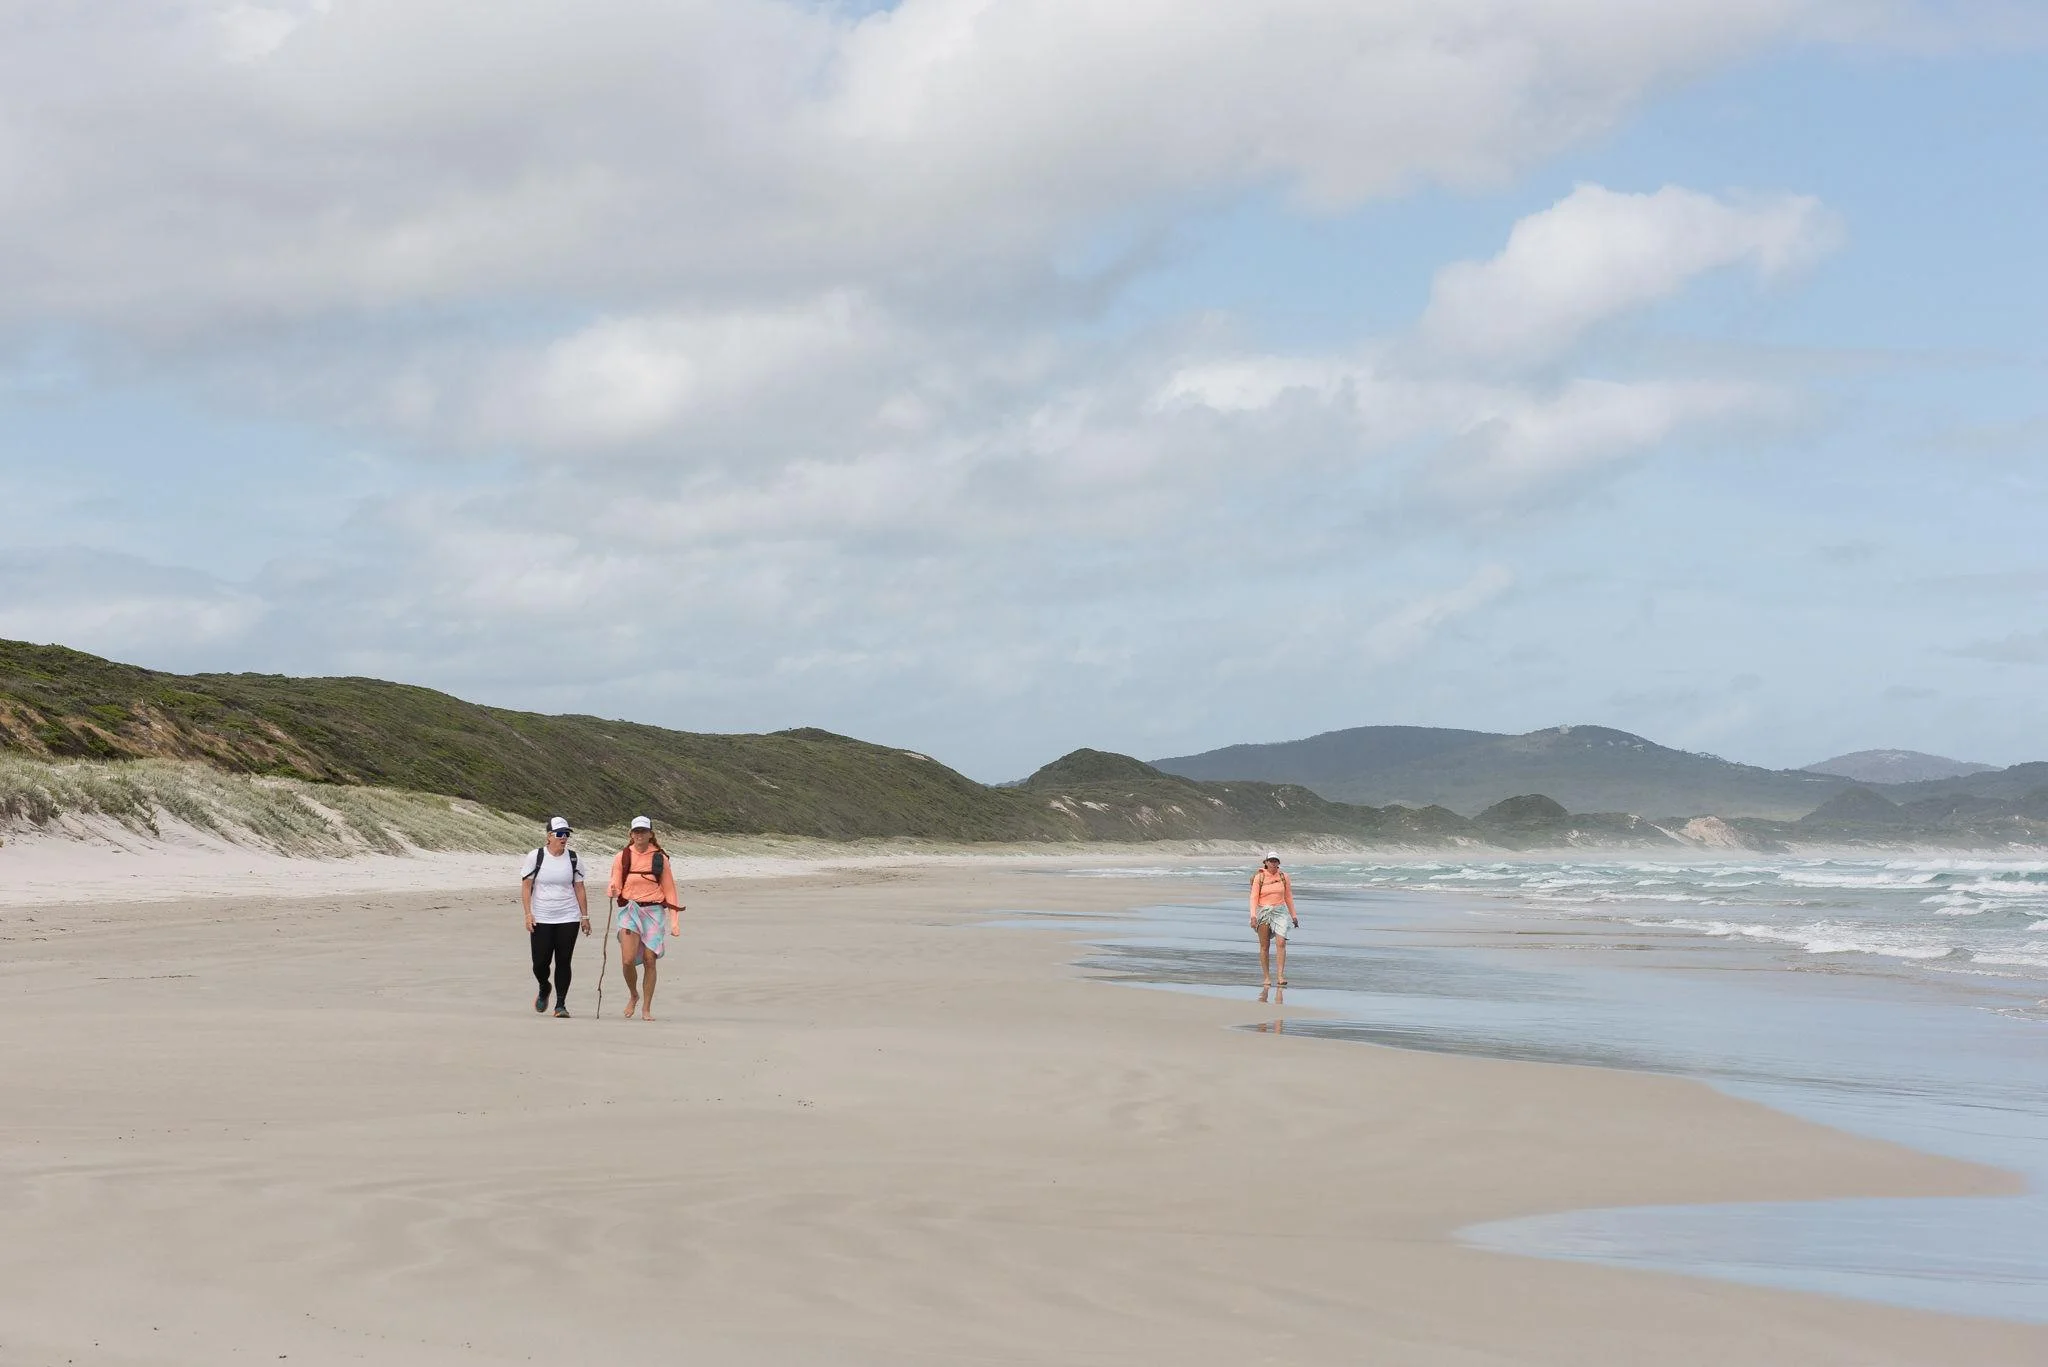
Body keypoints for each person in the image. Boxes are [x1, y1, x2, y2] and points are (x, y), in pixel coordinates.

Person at [609, 815, 682, 1021]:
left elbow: (670, 891)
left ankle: (646, 1008)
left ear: (650, 834)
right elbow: (614, 885)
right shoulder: (622, 857)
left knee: (650, 960)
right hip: (630, 911)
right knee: (627, 960)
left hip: (654, 912)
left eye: (643, 831)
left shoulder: (660, 858)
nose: (640, 834)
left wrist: (674, 922)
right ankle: (634, 994)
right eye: (636, 831)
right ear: (631, 834)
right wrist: (613, 890)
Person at [521, 817, 590, 1017]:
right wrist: (528, 914)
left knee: (563, 960)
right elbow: (526, 886)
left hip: (568, 916)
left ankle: (561, 1004)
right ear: (549, 836)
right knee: (540, 963)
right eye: (560, 834)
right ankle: (544, 986)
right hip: (541, 916)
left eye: (566, 834)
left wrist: (585, 916)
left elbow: (579, 887)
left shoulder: (574, 858)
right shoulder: (536, 856)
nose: (563, 838)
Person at [1248, 850, 1298, 989]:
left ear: (1278, 863)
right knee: (1265, 946)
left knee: (1281, 943)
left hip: (1280, 911)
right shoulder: (1259, 877)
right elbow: (1253, 897)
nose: (1273, 863)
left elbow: (1288, 896)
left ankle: (1280, 976)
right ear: (1266, 862)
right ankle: (1266, 977)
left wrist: (1294, 915)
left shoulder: (1284, 877)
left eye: (1276, 861)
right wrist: (1253, 916)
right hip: (1264, 911)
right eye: (1271, 861)